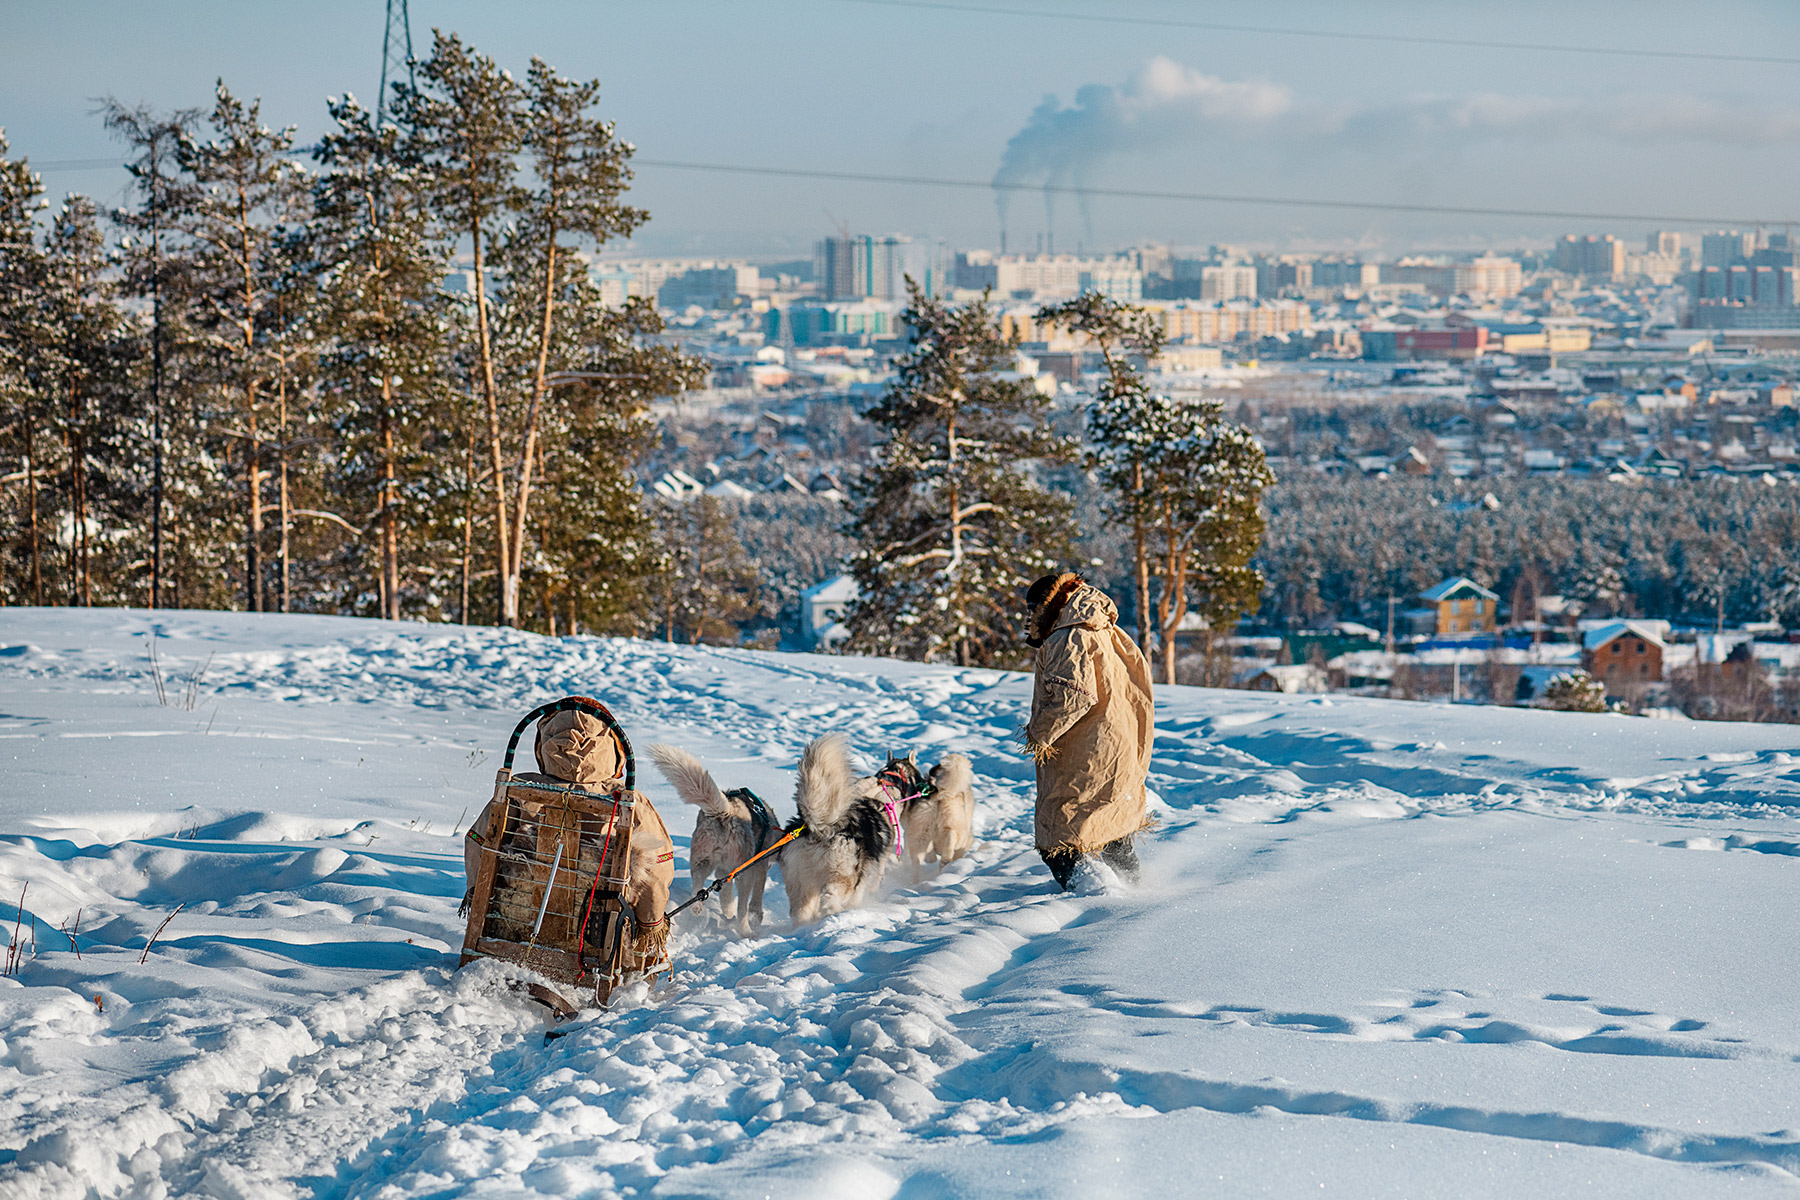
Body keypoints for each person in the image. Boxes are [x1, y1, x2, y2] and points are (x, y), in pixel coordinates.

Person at [1021, 572, 1155, 889]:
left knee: (1059, 840)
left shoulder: (1067, 638)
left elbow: (1074, 696)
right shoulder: (1105, 629)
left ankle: (1096, 898)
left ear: (1045, 607)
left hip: (1086, 753)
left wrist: (1038, 734)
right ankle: (1136, 890)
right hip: (1116, 744)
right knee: (1109, 829)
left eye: (1030, 611)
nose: (1027, 619)